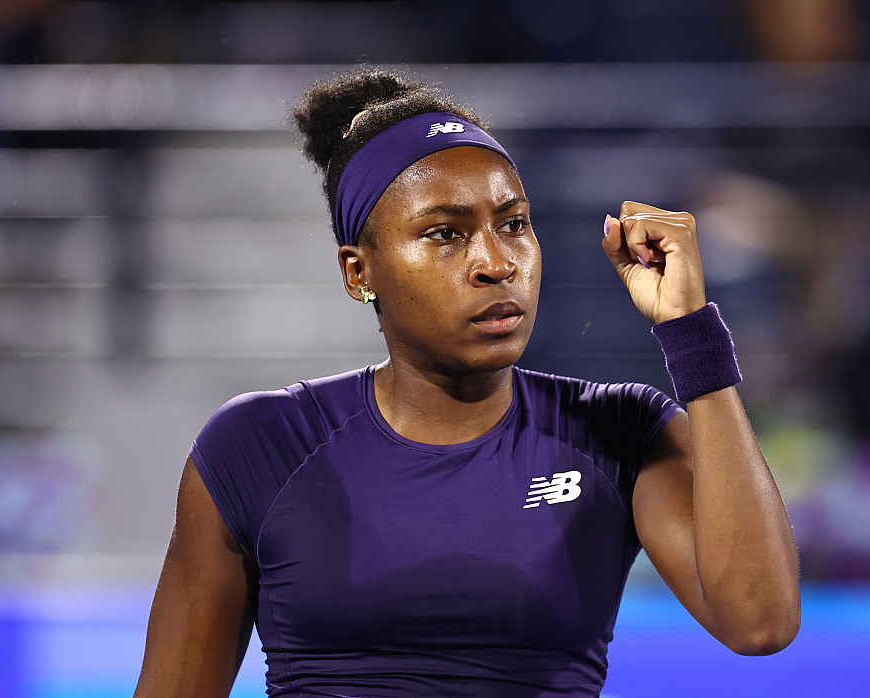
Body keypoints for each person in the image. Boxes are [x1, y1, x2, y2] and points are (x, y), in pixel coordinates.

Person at [134, 68, 800, 697]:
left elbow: (759, 621)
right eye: (445, 233)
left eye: (513, 224)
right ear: (359, 272)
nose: (495, 261)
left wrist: (691, 336)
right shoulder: (259, 446)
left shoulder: (620, 430)